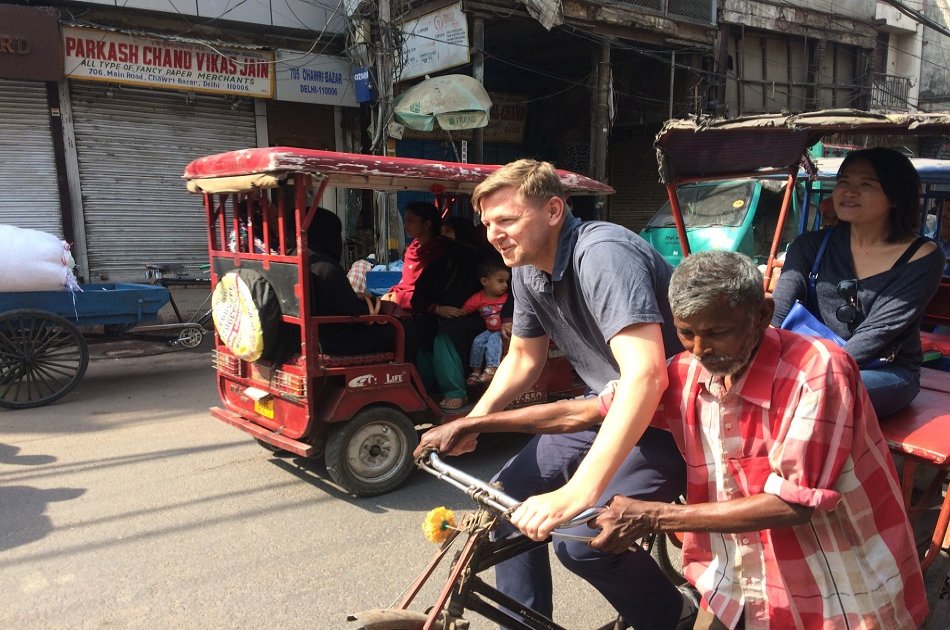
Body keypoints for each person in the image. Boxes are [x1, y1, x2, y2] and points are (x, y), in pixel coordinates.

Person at [418, 251, 929, 629]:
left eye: (718, 332)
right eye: (687, 333)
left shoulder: (817, 370)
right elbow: (583, 412)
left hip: (840, 580)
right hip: (744, 582)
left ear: (762, 312)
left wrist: (656, 515)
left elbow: (793, 504)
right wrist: (477, 422)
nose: (701, 349)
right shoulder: (685, 370)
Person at [437, 158, 689, 628]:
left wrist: (577, 492)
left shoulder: (602, 255)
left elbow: (646, 378)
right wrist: (473, 422)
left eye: (507, 220)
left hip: (672, 420)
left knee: (583, 542)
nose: (495, 234)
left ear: (554, 210)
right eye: (488, 224)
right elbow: (523, 359)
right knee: (503, 501)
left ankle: (675, 616)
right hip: (603, 410)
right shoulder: (526, 268)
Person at [771, 147, 945, 418]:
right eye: (844, 182)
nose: (849, 191)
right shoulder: (809, 246)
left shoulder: (923, 257)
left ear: (895, 195)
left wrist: (813, 373)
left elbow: (877, 332)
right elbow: (778, 313)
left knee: (819, 393)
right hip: (805, 364)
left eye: (865, 184)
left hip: (883, 370)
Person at [306, 208, 397, 356]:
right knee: (403, 328)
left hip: (317, 337)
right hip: (337, 341)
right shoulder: (328, 269)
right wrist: (373, 304)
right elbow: (353, 311)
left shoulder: (296, 261)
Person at [462, 259, 510, 387]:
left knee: (493, 341)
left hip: (502, 331)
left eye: (506, 281)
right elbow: (465, 310)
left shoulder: (507, 298)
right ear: (484, 281)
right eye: (500, 281)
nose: (505, 285)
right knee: (477, 341)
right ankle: (475, 371)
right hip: (490, 329)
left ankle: (491, 368)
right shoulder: (478, 298)